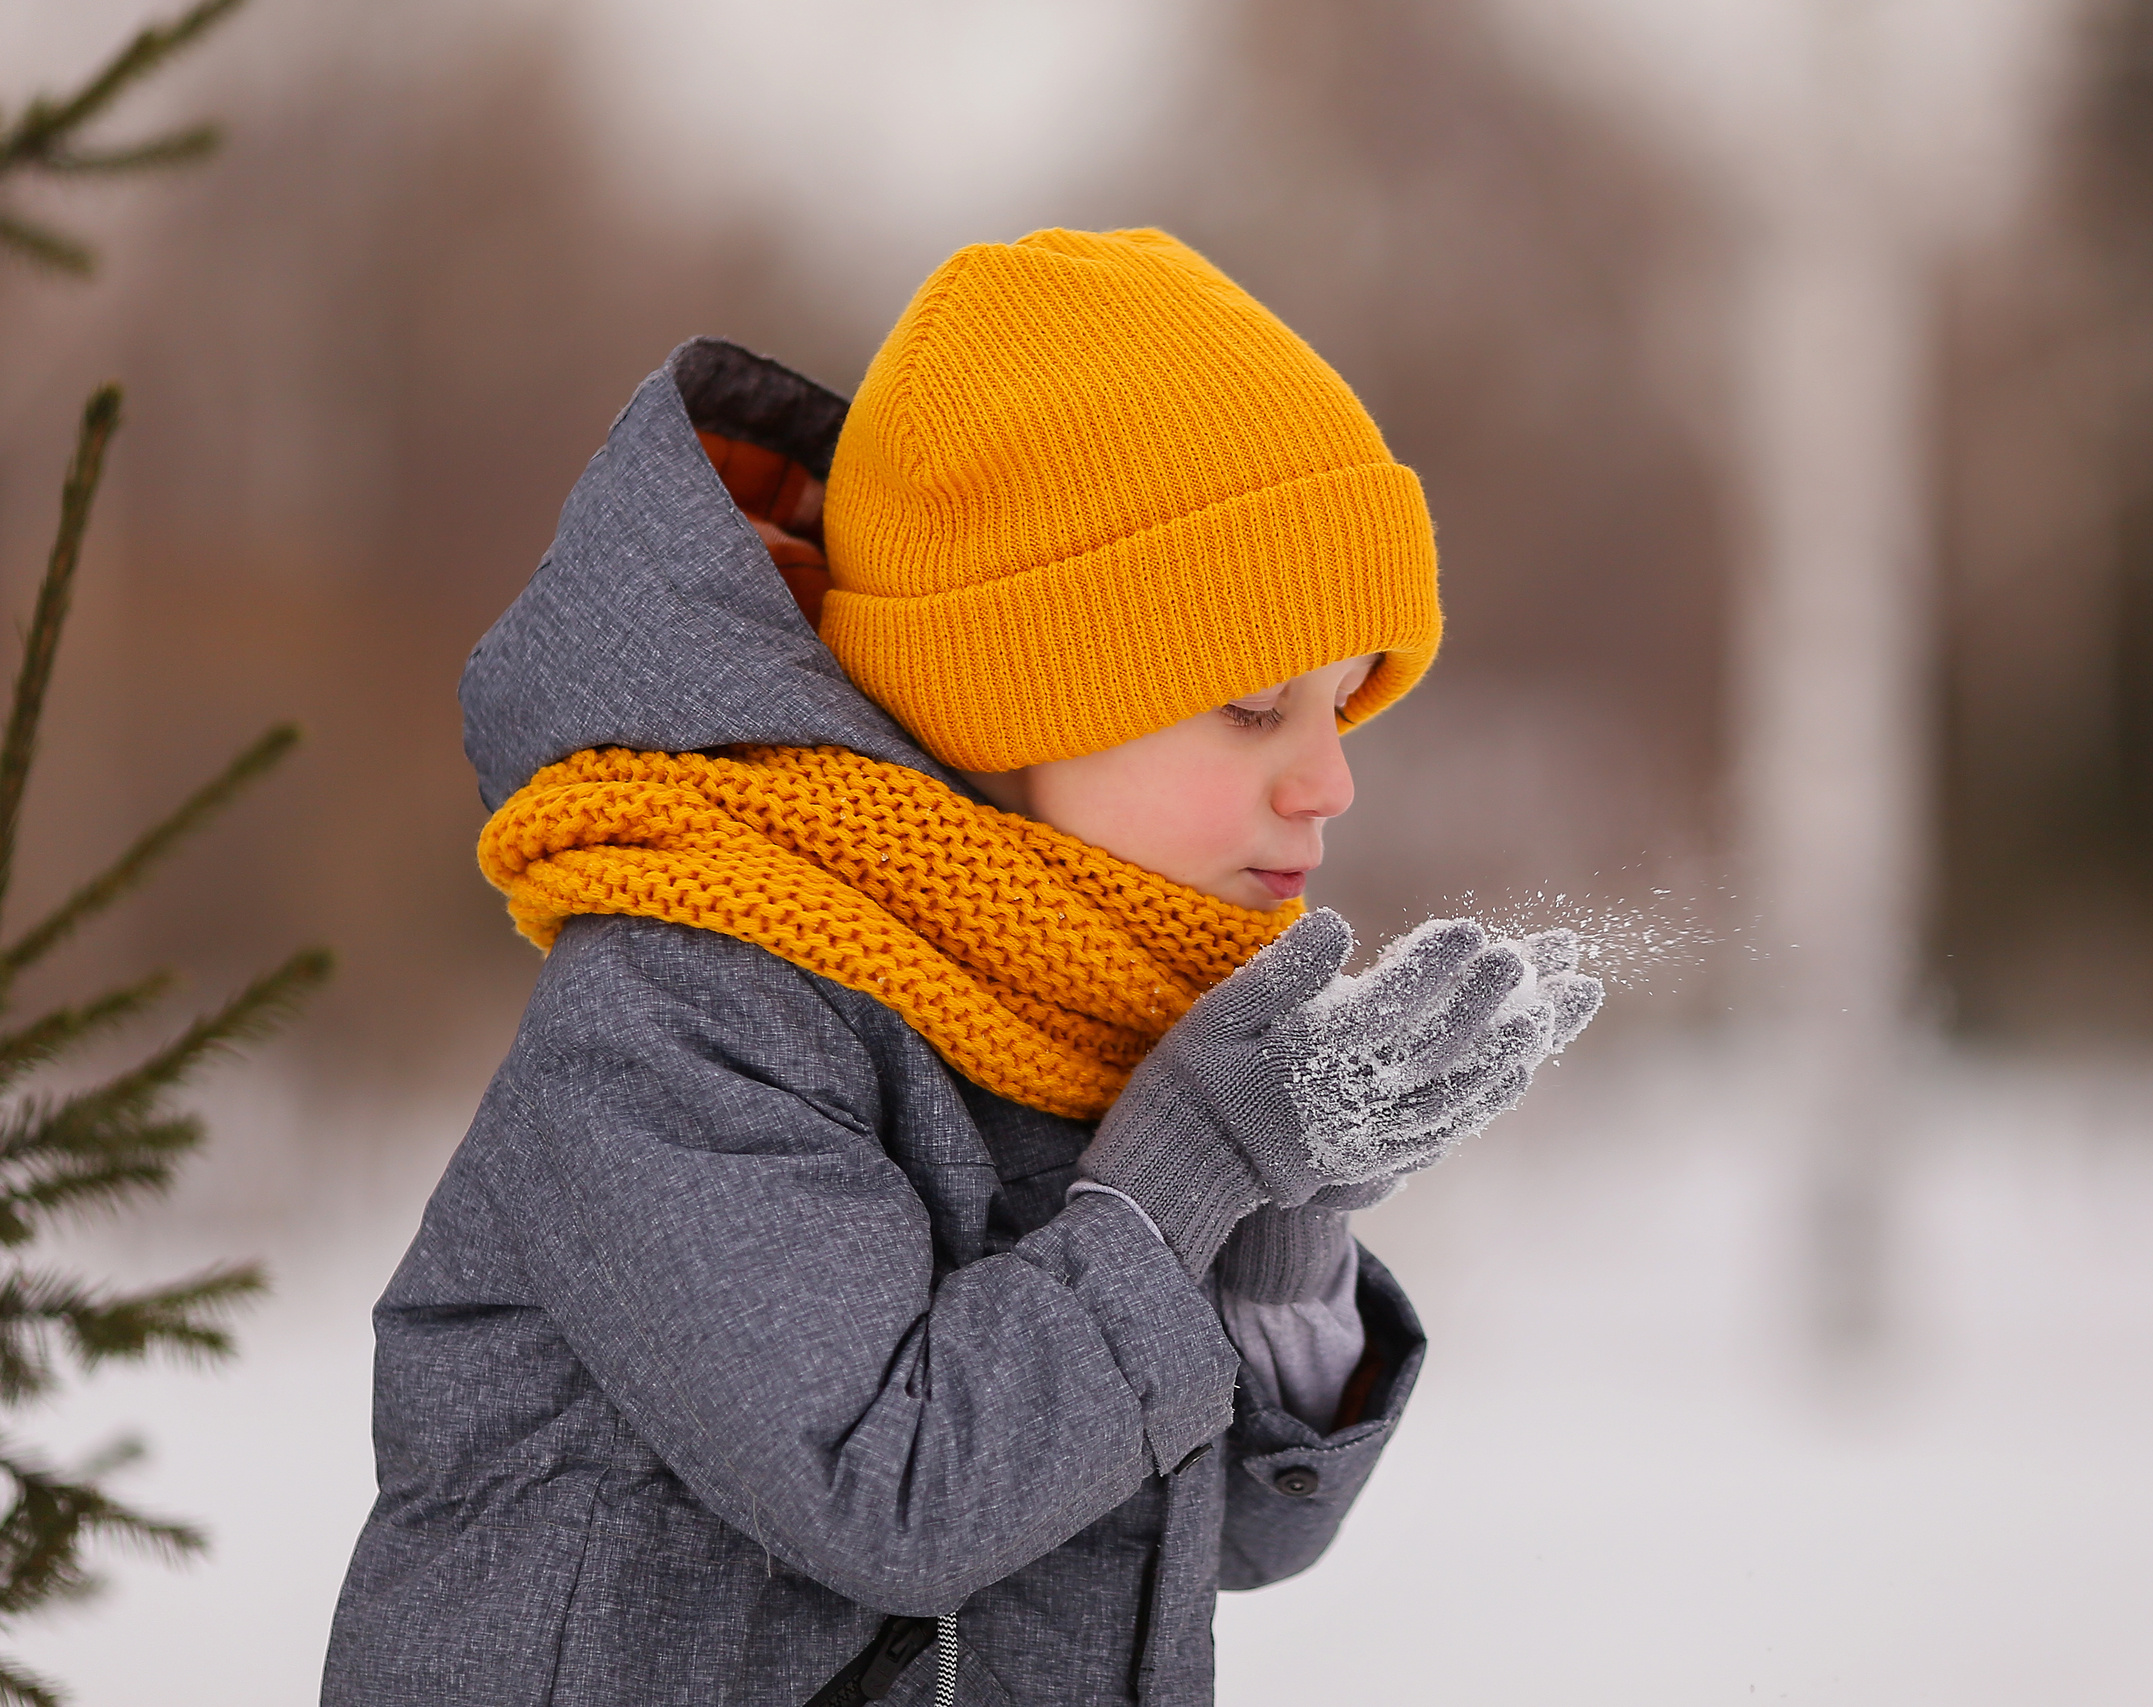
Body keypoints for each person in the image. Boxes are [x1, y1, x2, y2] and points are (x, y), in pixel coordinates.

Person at [320, 227, 1600, 1707]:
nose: (1330, 783)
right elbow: (894, 1493)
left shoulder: (1070, 993)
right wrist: (1195, 1165)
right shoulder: (690, 1004)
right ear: (1013, 692)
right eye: (1254, 708)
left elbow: (1243, 1536)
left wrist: (1287, 1214)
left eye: (1344, 703)